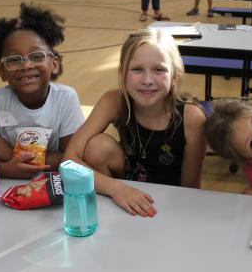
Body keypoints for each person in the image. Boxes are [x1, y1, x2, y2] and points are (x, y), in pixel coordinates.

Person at [62, 29, 207, 217]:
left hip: (171, 201)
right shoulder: (114, 101)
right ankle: (108, 210)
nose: (147, 80)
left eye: (159, 70)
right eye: (137, 69)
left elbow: (191, 189)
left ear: (174, 76)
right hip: (126, 191)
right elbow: (69, 160)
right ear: (122, 73)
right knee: (97, 146)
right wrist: (116, 189)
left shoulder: (192, 118)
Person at [0, 3, 85, 178]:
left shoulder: (65, 98)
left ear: (54, 64)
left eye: (36, 56)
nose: (26, 65)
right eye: (14, 60)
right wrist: (6, 169)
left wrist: (12, 154)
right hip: (10, 181)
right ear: (3, 72)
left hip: (55, 180)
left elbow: (70, 158)